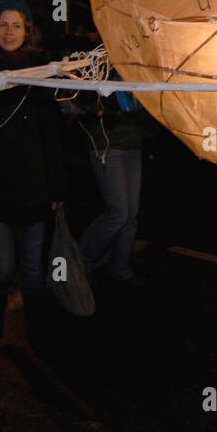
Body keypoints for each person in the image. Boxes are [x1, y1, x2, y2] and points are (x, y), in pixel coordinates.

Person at [0, 0, 66, 342]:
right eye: (2, 24)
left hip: (34, 186)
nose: (9, 31)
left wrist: (56, 190)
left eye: (16, 25)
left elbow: (50, 136)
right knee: (2, 267)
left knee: (31, 267)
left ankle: (35, 324)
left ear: (27, 30)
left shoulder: (42, 71)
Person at [76, 70, 156, 287]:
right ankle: (81, 261)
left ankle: (120, 267)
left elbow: (147, 111)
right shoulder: (101, 69)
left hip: (133, 145)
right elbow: (87, 105)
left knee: (130, 214)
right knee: (118, 212)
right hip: (107, 147)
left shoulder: (138, 69)